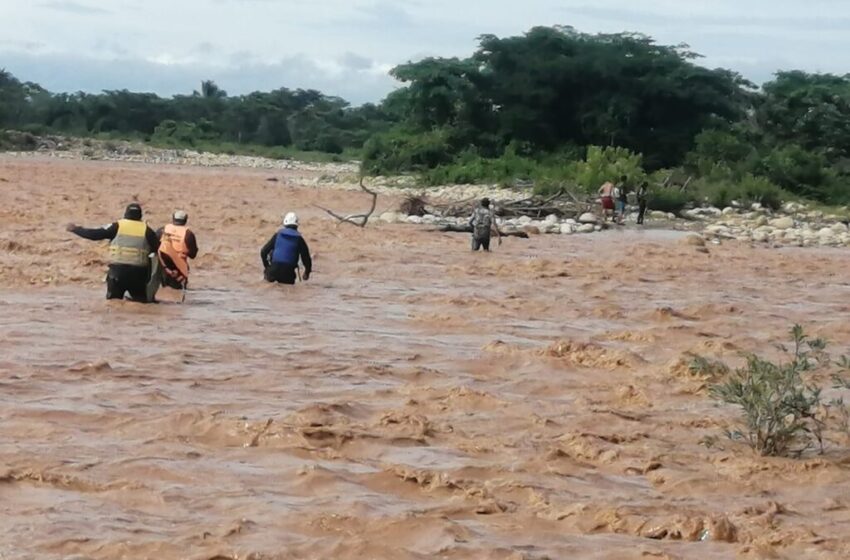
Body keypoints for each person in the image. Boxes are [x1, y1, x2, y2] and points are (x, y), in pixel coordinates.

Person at [66, 203, 160, 302]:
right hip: (139, 275)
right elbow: (158, 249)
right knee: (141, 305)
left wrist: (76, 229)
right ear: (140, 216)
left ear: (125, 214)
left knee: (113, 303)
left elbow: (95, 234)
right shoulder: (147, 230)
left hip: (117, 273)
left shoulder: (117, 226)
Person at [260, 212, 312, 284]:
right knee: (288, 291)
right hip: (288, 273)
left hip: (273, 270)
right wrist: (307, 272)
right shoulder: (299, 239)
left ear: (285, 224)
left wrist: (267, 267)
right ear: (297, 226)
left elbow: (263, 251)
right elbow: (306, 258)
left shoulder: (277, 235)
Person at [157, 210, 199, 290]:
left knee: (164, 289)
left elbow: (154, 245)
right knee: (179, 291)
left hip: (163, 265)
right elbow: (193, 255)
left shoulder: (163, 230)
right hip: (179, 267)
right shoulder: (188, 234)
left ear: (173, 218)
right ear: (185, 220)